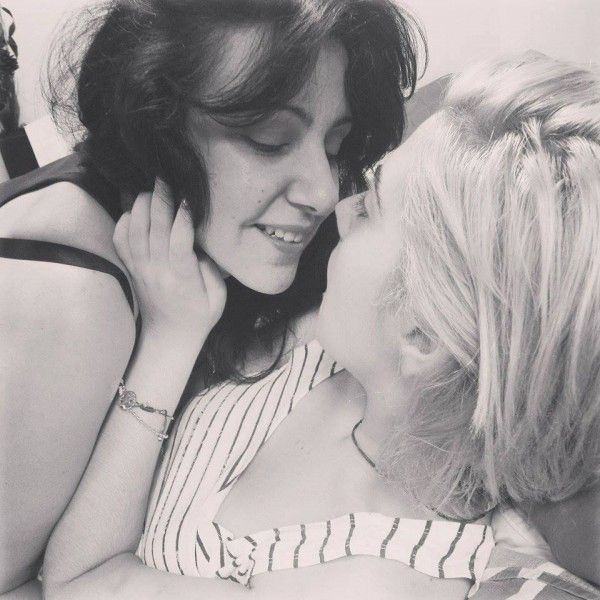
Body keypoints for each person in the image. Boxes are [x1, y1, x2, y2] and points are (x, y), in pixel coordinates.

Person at [46, 51, 600, 600]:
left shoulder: (362, 582)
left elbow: (77, 580)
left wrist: (169, 340)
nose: (339, 208)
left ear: (423, 335)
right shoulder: (334, 345)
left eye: (372, 209)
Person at [0, 0, 423, 596]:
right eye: (270, 140)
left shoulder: (207, 231)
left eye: (335, 145)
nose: (324, 192)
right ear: (157, 124)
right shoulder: (69, 301)